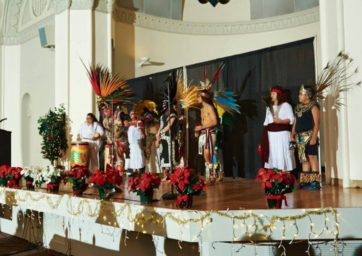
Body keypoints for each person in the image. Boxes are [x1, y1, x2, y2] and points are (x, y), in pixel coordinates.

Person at [291, 85, 320, 190]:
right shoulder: (298, 107)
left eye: (301, 94)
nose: (298, 96)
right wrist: (292, 134)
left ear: (307, 96)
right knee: (304, 159)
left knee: (312, 157)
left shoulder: (313, 106)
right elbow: (295, 122)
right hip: (299, 137)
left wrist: (314, 137)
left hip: (309, 135)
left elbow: (317, 123)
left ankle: (315, 182)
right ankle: (305, 182)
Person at [262, 86, 295, 171]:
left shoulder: (286, 105)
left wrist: (281, 121)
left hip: (282, 136)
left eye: (273, 94)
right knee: (274, 155)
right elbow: (266, 122)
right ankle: (275, 178)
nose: (271, 95)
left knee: (282, 154)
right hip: (272, 136)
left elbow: (291, 120)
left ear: (278, 95)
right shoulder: (269, 107)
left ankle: (285, 177)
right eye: (271, 94)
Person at [194, 90, 218, 183]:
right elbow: (204, 122)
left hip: (210, 133)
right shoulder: (202, 109)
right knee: (205, 155)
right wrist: (198, 131)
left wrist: (201, 127)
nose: (197, 99)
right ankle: (210, 176)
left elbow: (214, 122)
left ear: (203, 98)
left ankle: (212, 175)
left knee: (208, 153)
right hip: (204, 133)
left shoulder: (209, 107)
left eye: (198, 97)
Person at [156, 107, 179, 180]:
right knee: (163, 156)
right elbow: (161, 126)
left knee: (170, 157)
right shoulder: (162, 116)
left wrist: (161, 133)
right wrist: (157, 135)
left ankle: (172, 176)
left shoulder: (173, 115)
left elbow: (169, 125)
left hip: (169, 139)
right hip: (163, 139)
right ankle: (166, 175)